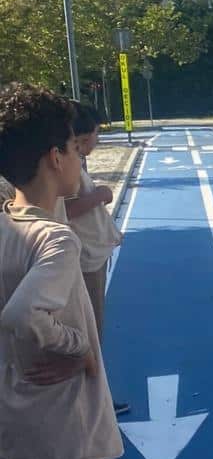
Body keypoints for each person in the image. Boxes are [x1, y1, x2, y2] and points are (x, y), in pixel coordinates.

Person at [0, 84, 123, 459]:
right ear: (55, 157)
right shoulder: (55, 239)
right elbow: (21, 315)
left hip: (18, 425)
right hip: (61, 430)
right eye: (74, 149)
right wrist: (79, 349)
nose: (79, 158)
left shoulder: (8, 225)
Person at [63, 103, 126, 417]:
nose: (98, 140)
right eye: (96, 133)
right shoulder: (66, 171)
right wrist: (101, 194)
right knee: (89, 333)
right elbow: (67, 210)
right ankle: (93, 403)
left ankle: (95, 398)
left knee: (91, 332)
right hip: (85, 261)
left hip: (91, 256)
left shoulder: (75, 165)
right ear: (79, 139)